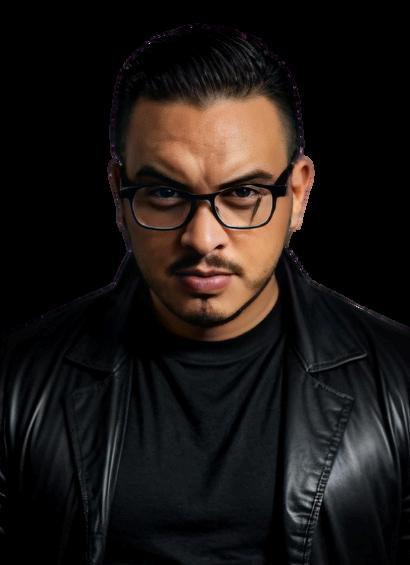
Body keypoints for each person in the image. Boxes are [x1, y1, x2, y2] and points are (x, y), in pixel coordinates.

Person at [0, 22, 409, 565]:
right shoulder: (15, 382)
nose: (202, 238)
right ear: (119, 195)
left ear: (298, 192)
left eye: (243, 192)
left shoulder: (401, 382)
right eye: (164, 192)